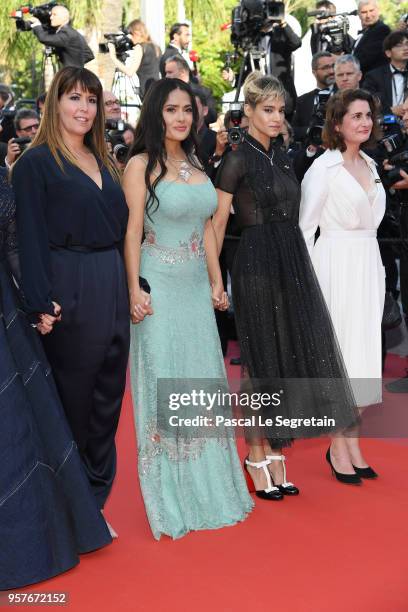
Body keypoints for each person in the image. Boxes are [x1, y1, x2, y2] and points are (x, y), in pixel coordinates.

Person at [213, 72, 357, 499]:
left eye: (281, 111)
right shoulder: (237, 157)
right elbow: (217, 223)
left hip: (288, 260)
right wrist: (214, 279)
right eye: (267, 110)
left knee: (284, 358)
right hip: (255, 262)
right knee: (259, 363)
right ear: (250, 111)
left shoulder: (283, 156)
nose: (276, 118)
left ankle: (277, 453)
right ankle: (257, 457)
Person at [123, 78, 253, 540]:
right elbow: (133, 231)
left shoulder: (197, 162)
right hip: (158, 291)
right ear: (156, 113)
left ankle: (210, 488)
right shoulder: (139, 165)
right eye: (172, 109)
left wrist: (218, 283)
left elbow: (209, 231)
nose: (181, 118)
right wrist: (134, 290)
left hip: (198, 293)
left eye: (188, 111)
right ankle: (172, 500)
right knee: (164, 387)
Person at [12, 67, 131, 531]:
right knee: (75, 401)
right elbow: (29, 238)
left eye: (91, 100)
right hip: (68, 285)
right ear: (53, 104)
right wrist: (40, 301)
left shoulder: (105, 161)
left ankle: (94, 500)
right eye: (74, 98)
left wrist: (133, 284)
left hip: (111, 281)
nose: (84, 108)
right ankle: (73, 508)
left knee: (108, 398)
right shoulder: (36, 163)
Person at [0, 166, 111, 590]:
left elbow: (12, 245)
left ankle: (29, 541)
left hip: (6, 315)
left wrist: (37, 301)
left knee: (18, 426)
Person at [299, 88, 386, 482]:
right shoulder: (324, 169)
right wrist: (306, 284)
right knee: (342, 359)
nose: (365, 122)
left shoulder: (370, 163)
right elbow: (305, 230)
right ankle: (337, 445)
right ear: (337, 124)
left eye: (368, 115)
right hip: (334, 265)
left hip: (368, 263)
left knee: (365, 356)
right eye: (356, 116)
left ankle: (352, 440)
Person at [108, 19, 160, 100]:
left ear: (137, 33)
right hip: (158, 89)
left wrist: (113, 57)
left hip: (147, 91)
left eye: (130, 34)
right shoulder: (156, 47)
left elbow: (130, 72)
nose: (130, 38)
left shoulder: (140, 47)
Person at [292, 51, 335, 143]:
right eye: (325, 68)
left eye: (333, 66)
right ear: (314, 72)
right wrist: (310, 131)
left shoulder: (345, 96)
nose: (332, 71)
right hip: (310, 153)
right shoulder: (302, 101)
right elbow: (293, 131)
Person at [362, 30, 408, 116]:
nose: (405, 48)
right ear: (388, 53)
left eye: (407, 44)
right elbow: (367, 104)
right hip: (386, 126)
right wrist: (391, 110)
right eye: (399, 45)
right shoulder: (373, 77)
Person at [352, 0, 390, 77]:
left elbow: (364, 59)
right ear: (359, 15)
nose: (368, 15)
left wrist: (343, 60)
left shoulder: (382, 30)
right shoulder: (366, 32)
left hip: (373, 82)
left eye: (371, 10)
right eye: (364, 12)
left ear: (378, 11)